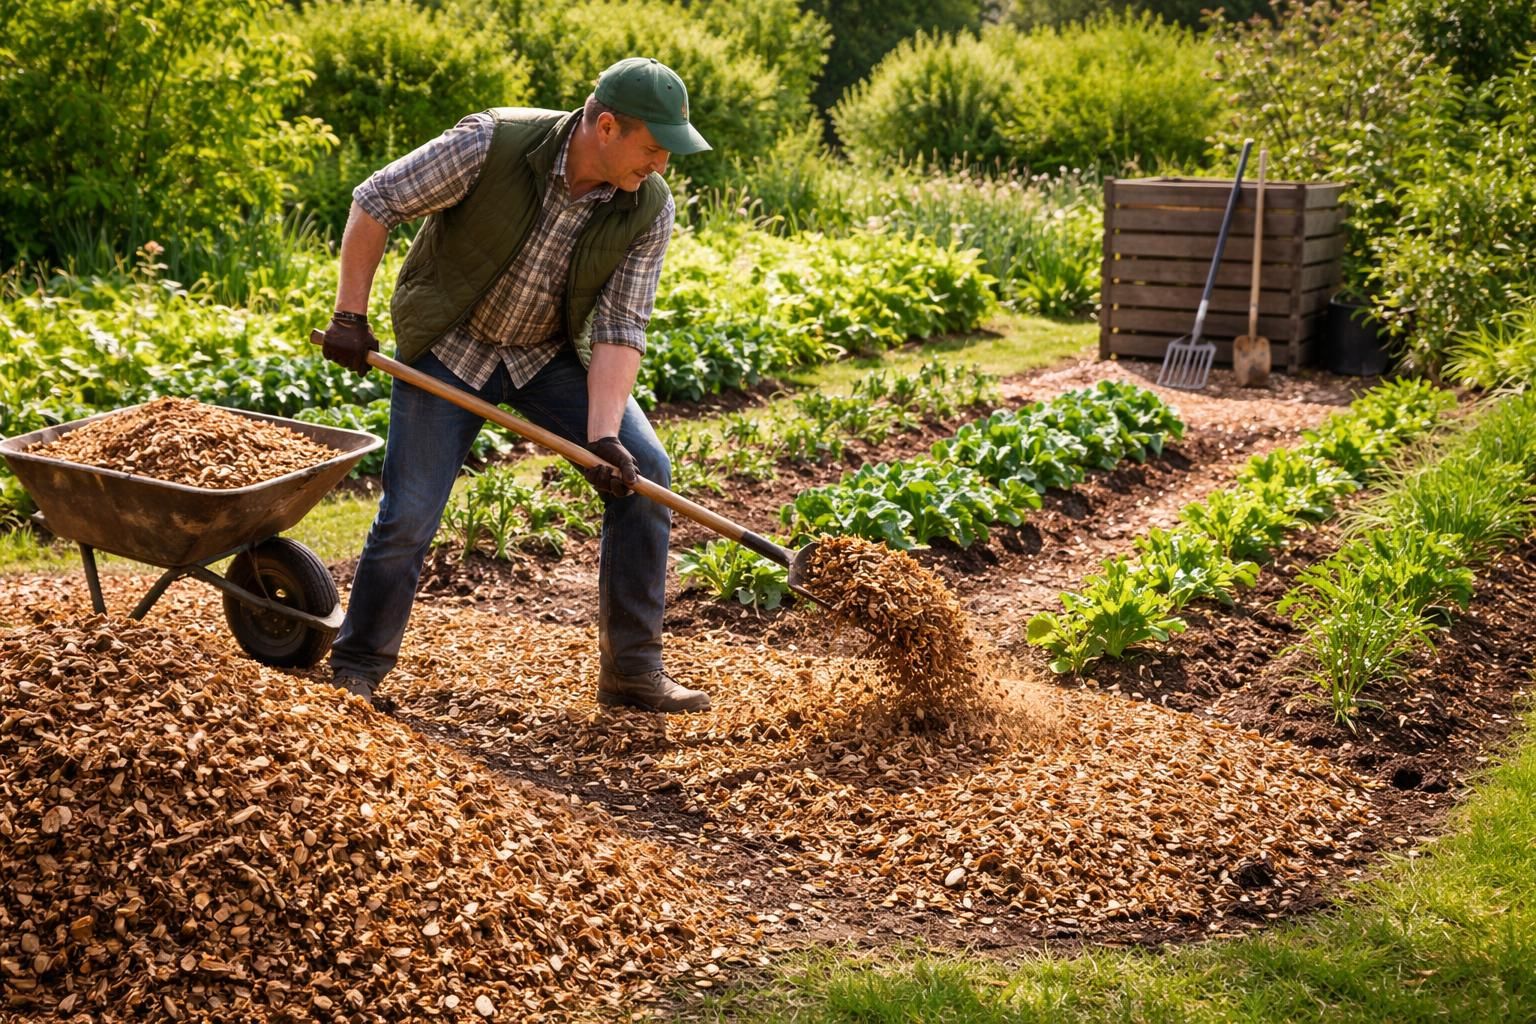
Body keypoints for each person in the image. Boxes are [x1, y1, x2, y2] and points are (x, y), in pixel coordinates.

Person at [318, 58, 712, 714]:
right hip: (449, 345)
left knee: (644, 477)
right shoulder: (490, 143)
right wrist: (350, 316)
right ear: (606, 127)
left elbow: (621, 325)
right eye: (653, 147)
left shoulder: (648, 207)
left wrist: (604, 434)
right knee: (411, 511)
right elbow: (376, 200)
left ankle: (632, 670)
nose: (661, 164)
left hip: (545, 354)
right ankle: (357, 665)